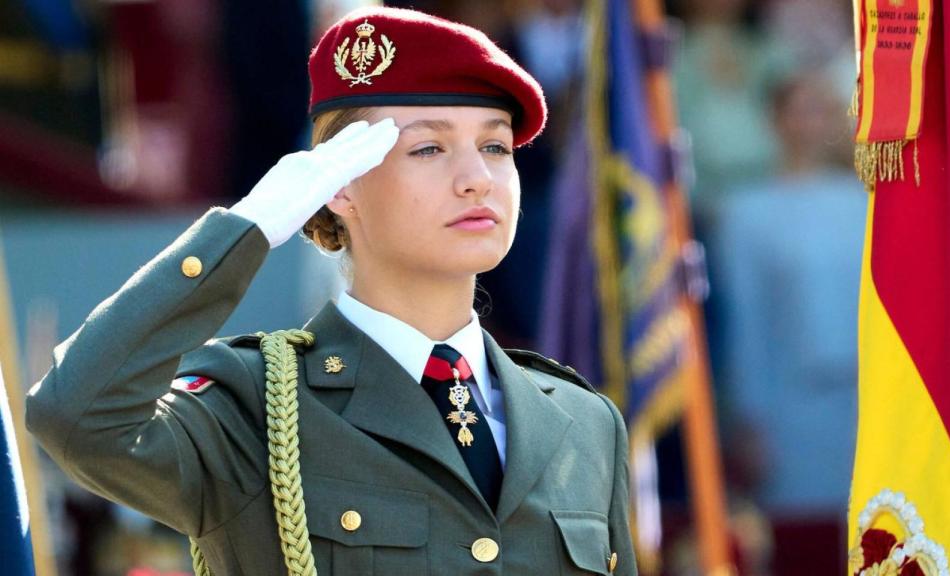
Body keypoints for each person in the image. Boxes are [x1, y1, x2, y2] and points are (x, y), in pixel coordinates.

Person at [25, 7, 636, 576]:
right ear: (340, 187)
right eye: (429, 147)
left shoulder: (584, 424)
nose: (478, 179)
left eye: (496, 146)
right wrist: (248, 227)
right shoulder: (256, 406)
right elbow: (77, 418)